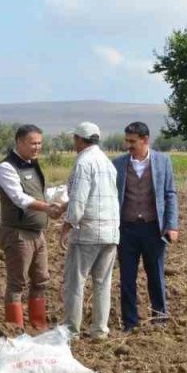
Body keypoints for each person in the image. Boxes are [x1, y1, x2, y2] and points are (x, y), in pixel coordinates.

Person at [112, 121, 179, 332]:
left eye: (132, 141)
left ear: (145, 140)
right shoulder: (118, 164)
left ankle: (159, 318)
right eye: (127, 141)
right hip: (127, 230)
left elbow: (170, 194)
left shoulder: (163, 161)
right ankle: (130, 323)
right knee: (127, 279)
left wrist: (172, 225)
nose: (128, 145)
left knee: (156, 275)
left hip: (153, 228)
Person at [0, 124, 62, 331]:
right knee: (17, 283)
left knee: (41, 280)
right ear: (19, 142)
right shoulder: (7, 167)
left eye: (40, 143)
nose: (37, 147)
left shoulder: (33, 164)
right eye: (33, 143)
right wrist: (47, 208)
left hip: (37, 233)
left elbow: (40, 193)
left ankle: (38, 327)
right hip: (18, 234)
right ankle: (15, 331)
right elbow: (18, 198)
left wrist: (58, 203)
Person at [61, 121, 119, 339]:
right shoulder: (107, 163)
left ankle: (70, 330)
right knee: (103, 283)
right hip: (111, 232)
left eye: (75, 138)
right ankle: (99, 330)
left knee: (75, 281)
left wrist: (67, 225)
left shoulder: (83, 163)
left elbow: (79, 200)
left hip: (87, 232)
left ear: (79, 140)